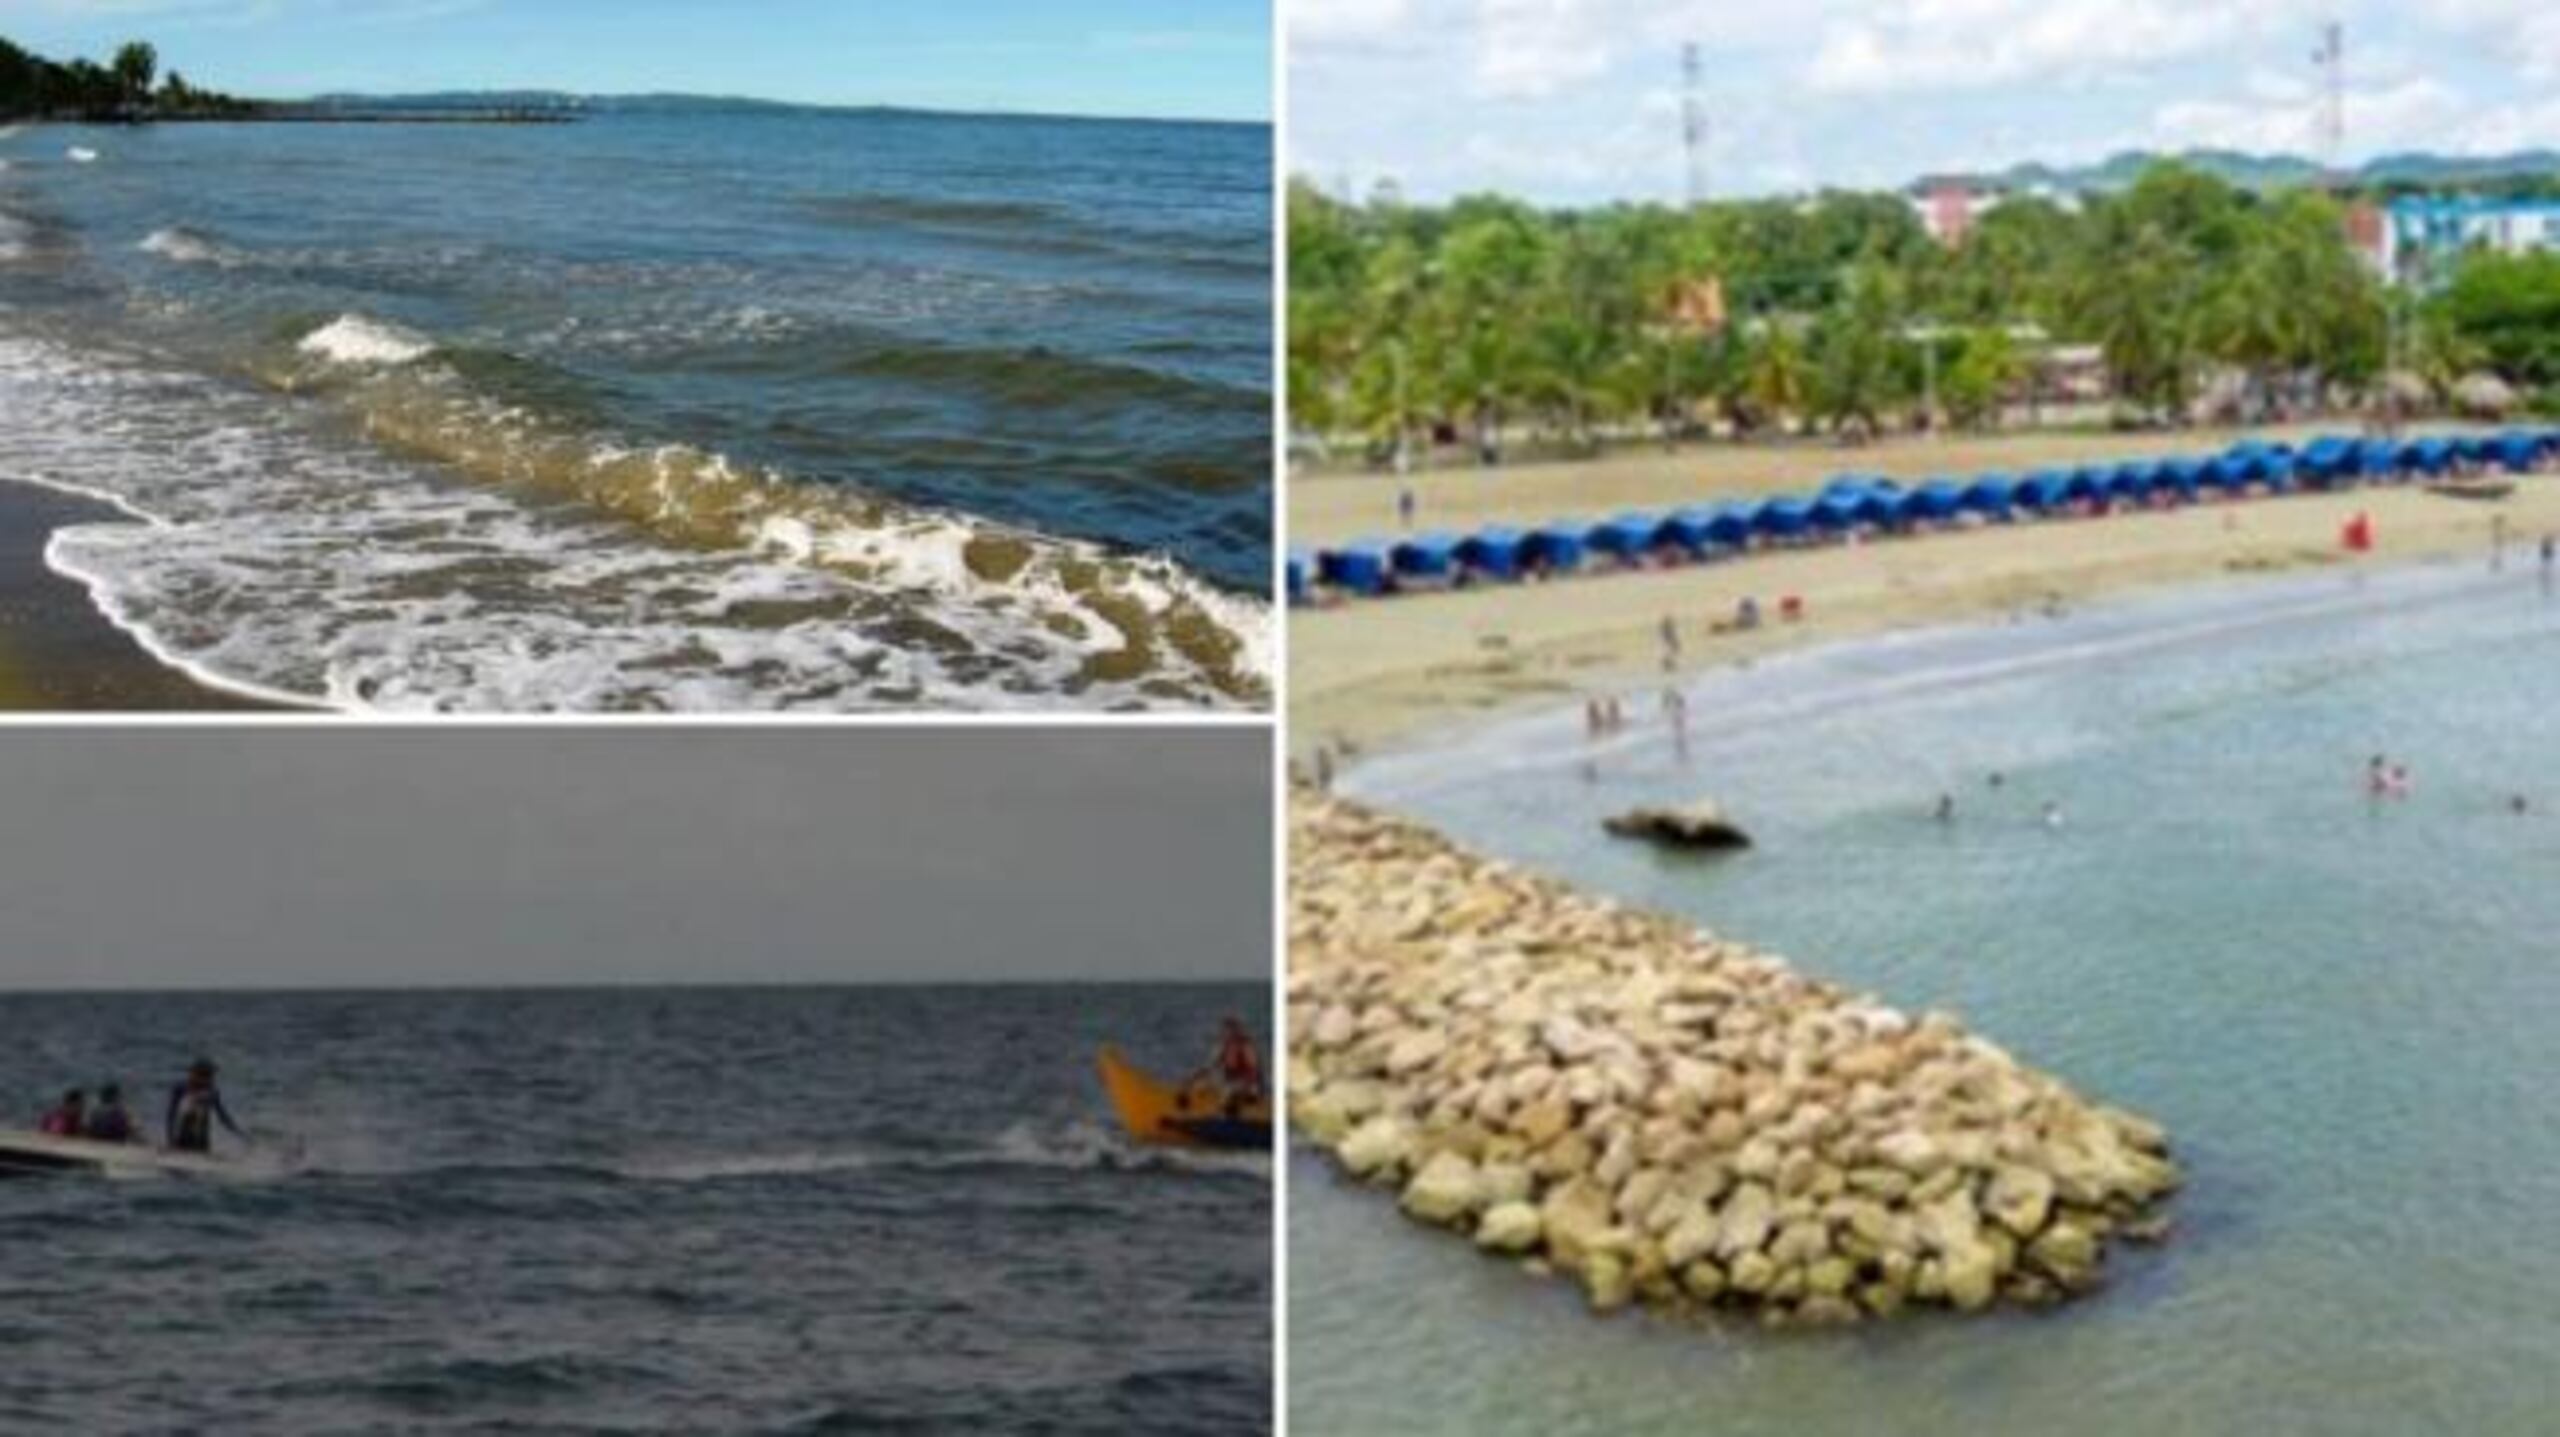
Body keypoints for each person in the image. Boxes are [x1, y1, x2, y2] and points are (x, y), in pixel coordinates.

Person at [165, 1059, 246, 1154]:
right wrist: (170, 1139)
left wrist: (239, 1133)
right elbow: (171, 1115)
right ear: (194, 1074)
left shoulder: (212, 1092)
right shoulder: (181, 1089)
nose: (210, 1079)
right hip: (182, 1136)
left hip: (201, 1138)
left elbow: (222, 1116)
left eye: (210, 1076)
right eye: (207, 1075)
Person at [1193, 1017, 1264, 1119]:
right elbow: (1208, 1066)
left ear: (1237, 1031)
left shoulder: (1246, 1046)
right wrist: (1194, 1079)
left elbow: (1254, 1070)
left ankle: (1223, 1117)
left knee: (1227, 1092)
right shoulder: (1223, 1046)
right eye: (1225, 1030)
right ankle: (1202, 1111)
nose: (1227, 1033)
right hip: (1232, 1083)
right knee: (1202, 1085)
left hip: (1248, 1086)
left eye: (1230, 1030)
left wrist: (1248, 1087)